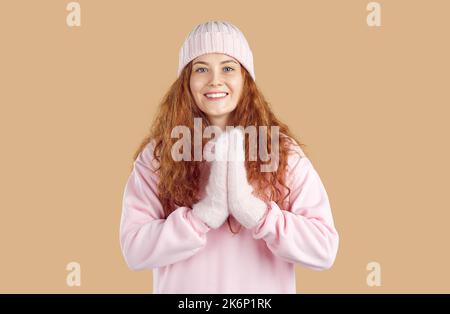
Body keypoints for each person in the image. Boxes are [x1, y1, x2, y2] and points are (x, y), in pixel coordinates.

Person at [119, 20, 339, 294]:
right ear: (186, 82)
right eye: (201, 69)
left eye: (228, 67)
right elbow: (134, 250)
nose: (215, 80)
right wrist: (199, 218)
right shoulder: (158, 155)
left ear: (245, 78)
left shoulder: (282, 151)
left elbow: (324, 250)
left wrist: (257, 214)